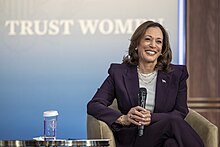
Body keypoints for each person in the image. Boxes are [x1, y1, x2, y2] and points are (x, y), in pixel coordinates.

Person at [87, 21, 204, 147]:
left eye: (158, 42)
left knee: (171, 144)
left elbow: (180, 111)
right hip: (133, 138)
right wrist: (123, 118)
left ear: (162, 49)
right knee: (173, 122)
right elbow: (94, 105)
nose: (153, 45)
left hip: (163, 136)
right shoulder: (119, 73)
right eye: (148, 39)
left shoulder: (176, 74)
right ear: (137, 44)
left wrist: (151, 118)